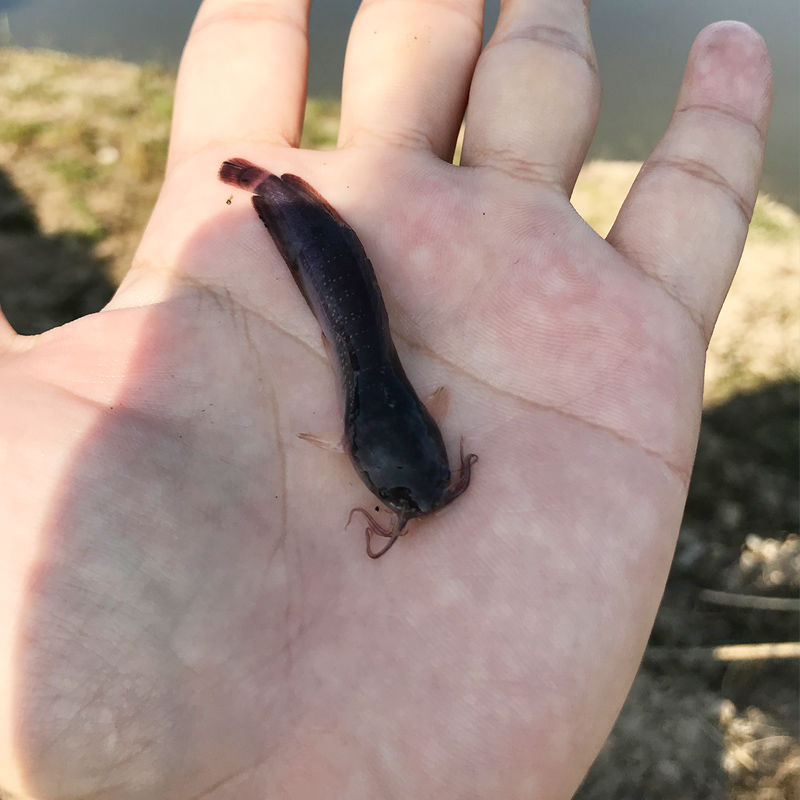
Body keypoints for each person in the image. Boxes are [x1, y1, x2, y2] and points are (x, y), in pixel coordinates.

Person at [0, 1, 772, 798]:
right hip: (347, 316)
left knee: (339, 294)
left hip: (359, 346)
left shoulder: (411, 464)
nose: (416, 497)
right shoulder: (396, 451)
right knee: (332, 279)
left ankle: (273, 191)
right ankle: (269, 190)